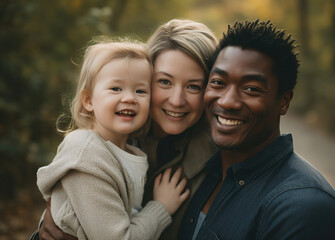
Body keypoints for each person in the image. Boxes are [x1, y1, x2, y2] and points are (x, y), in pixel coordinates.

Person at [33, 19, 218, 240]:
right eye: (165, 82)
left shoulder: (216, 154)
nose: (177, 100)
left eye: (193, 86)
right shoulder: (108, 142)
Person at [180, 20, 335, 240]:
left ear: (284, 101)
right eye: (218, 82)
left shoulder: (304, 209)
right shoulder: (208, 174)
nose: (227, 101)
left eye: (251, 89)